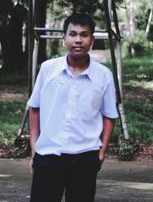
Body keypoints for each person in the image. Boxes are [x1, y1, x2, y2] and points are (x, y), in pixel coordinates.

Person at [27, 14, 118, 202]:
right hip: (48, 155)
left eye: (84, 35)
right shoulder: (47, 70)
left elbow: (109, 116)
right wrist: (35, 149)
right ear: (63, 39)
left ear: (91, 40)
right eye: (73, 34)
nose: (78, 40)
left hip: (85, 158)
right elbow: (34, 109)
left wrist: (101, 153)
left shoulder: (104, 76)